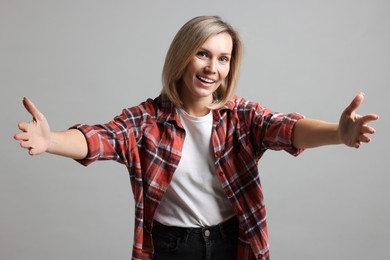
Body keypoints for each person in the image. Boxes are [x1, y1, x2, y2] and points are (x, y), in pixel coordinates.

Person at [14, 16, 378, 260]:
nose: (212, 68)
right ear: (182, 57)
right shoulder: (147, 120)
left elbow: (288, 129)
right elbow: (101, 139)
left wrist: (338, 133)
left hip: (231, 242)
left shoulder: (240, 116)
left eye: (223, 59)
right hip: (173, 247)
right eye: (202, 54)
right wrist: (51, 141)